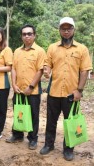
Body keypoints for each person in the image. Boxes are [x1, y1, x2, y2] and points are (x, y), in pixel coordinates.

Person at [39, 17, 92, 161]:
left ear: (74, 30)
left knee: (70, 122)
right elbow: (47, 64)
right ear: (60, 31)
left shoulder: (82, 49)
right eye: (63, 29)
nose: (66, 31)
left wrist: (79, 91)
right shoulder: (52, 48)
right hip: (54, 92)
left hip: (71, 93)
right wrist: (46, 70)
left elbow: (84, 71)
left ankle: (68, 149)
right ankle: (49, 145)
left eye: (69, 29)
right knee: (51, 121)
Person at [6, 24, 46, 150]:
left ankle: (33, 139)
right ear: (21, 36)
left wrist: (31, 86)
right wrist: (14, 84)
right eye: (24, 34)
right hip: (18, 89)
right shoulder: (17, 51)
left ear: (34, 35)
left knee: (33, 114)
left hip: (32, 91)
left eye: (29, 34)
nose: (27, 36)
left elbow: (40, 71)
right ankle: (17, 134)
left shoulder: (40, 51)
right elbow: (13, 69)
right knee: (19, 112)